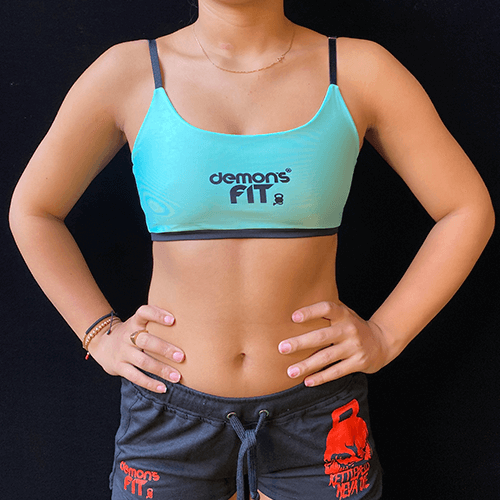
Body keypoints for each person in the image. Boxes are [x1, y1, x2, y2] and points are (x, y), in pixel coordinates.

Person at [9, 1, 494, 499]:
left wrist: (386, 334)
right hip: (167, 416)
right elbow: (34, 210)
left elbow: (465, 208)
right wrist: (99, 334)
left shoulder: (357, 69)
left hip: (319, 416)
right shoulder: (129, 72)